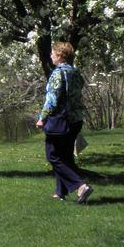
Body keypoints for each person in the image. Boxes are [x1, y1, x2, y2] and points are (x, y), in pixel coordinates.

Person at [35, 41, 93, 203]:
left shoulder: (58, 74)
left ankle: (80, 186)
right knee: (65, 156)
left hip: (61, 120)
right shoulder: (76, 73)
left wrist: (42, 118)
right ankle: (60, 192)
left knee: (53, 156)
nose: (51, 56)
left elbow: (52, 99)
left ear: (60, 56)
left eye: (53, 53)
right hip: (76, 119)